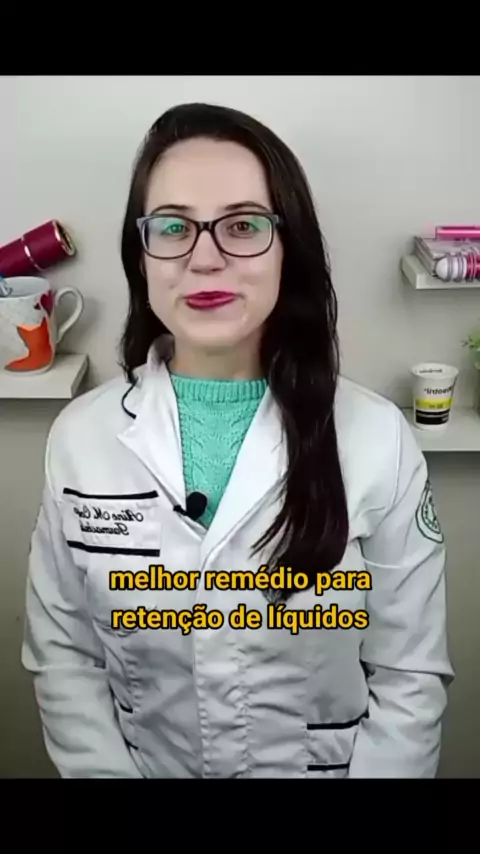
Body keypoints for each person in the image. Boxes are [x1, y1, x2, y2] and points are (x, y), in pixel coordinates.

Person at [21, 102, 454, 779]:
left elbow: (409, 677)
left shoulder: (376, 440)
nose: (205, 258)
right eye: (173, 227)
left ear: (289, 249)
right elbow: (65, 659)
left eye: (243, 225)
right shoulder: (82, 439)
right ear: (142, 254)